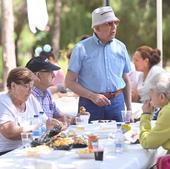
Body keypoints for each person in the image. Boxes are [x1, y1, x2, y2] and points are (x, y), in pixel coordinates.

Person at [65, 6, 132, 122]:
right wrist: (92, 96)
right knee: (89, 138)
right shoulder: (81, 48)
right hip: (89, 104)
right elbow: (69, 82)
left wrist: (129, 109)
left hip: (117, 103)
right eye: (109, 23)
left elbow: (126, 80)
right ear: (96, 28)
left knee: (119, 138)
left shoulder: (121, 47)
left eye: (115, 23)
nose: (114, 27)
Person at [0, 67, 62, 155]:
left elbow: (45, 121)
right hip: (7, 153)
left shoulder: (30, 99)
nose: (30, 91)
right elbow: (10, 132)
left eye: (31, 87)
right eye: (26, 86)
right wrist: (40, 127)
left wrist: (55, 124)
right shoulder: (2, 101)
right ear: (13, 86)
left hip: (30, 148)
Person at [26, 56, 73, 124]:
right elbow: (36, 124)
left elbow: (58, 115)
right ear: (38, 75)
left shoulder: (47, 92)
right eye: (50, 72)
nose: (53, 75)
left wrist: (75, 118)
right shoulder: (27, 96)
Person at [139, 72, 170, 154]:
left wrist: (146, 115)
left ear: (162, 97)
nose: (149, 100)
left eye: (151, 97)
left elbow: (148, 143)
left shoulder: (167, 111)